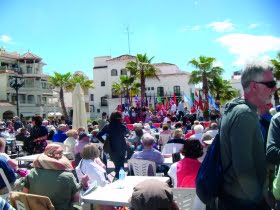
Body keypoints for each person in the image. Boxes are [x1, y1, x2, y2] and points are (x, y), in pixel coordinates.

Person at [219, 64, 276, 210]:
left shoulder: (234, 108)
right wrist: (259, 200)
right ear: (254, 86)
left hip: (234, 197)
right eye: (270, 84)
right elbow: (243, 168)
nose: (274, 88)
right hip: (243, 201)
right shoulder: (244, 114)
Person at [22, 144, 84, 210]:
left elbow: (25, 194)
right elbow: (76, 199)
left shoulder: (31, 173)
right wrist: (82, 184)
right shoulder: (68, 176)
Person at [97, 111, 128, 179]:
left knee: (117, 165)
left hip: (112, 148)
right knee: (121, 165)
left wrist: (104, 142)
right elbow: (126, 133)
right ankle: (119, 179)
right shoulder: (122, 126)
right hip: (122, 147)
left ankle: (118, 179)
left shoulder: (108, 126)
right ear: (120, 117)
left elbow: (98, 135)